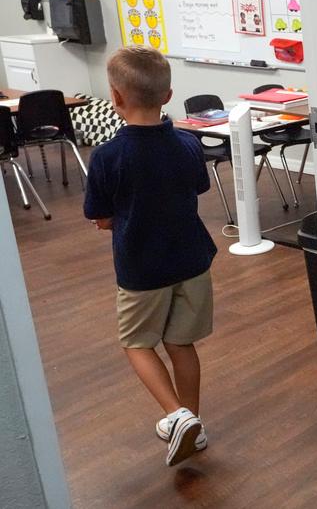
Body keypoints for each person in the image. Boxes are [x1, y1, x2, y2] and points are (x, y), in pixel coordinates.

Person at [83, 46, 217, 467]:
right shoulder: (188, 144)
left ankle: (177, 416)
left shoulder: (106, 157)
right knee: (181, 342)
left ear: (116, 98)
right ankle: (191, 424)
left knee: (137, 343)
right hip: (193, 261)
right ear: (169, 94)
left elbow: (101, 218)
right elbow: (196, 190)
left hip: (142, 269)